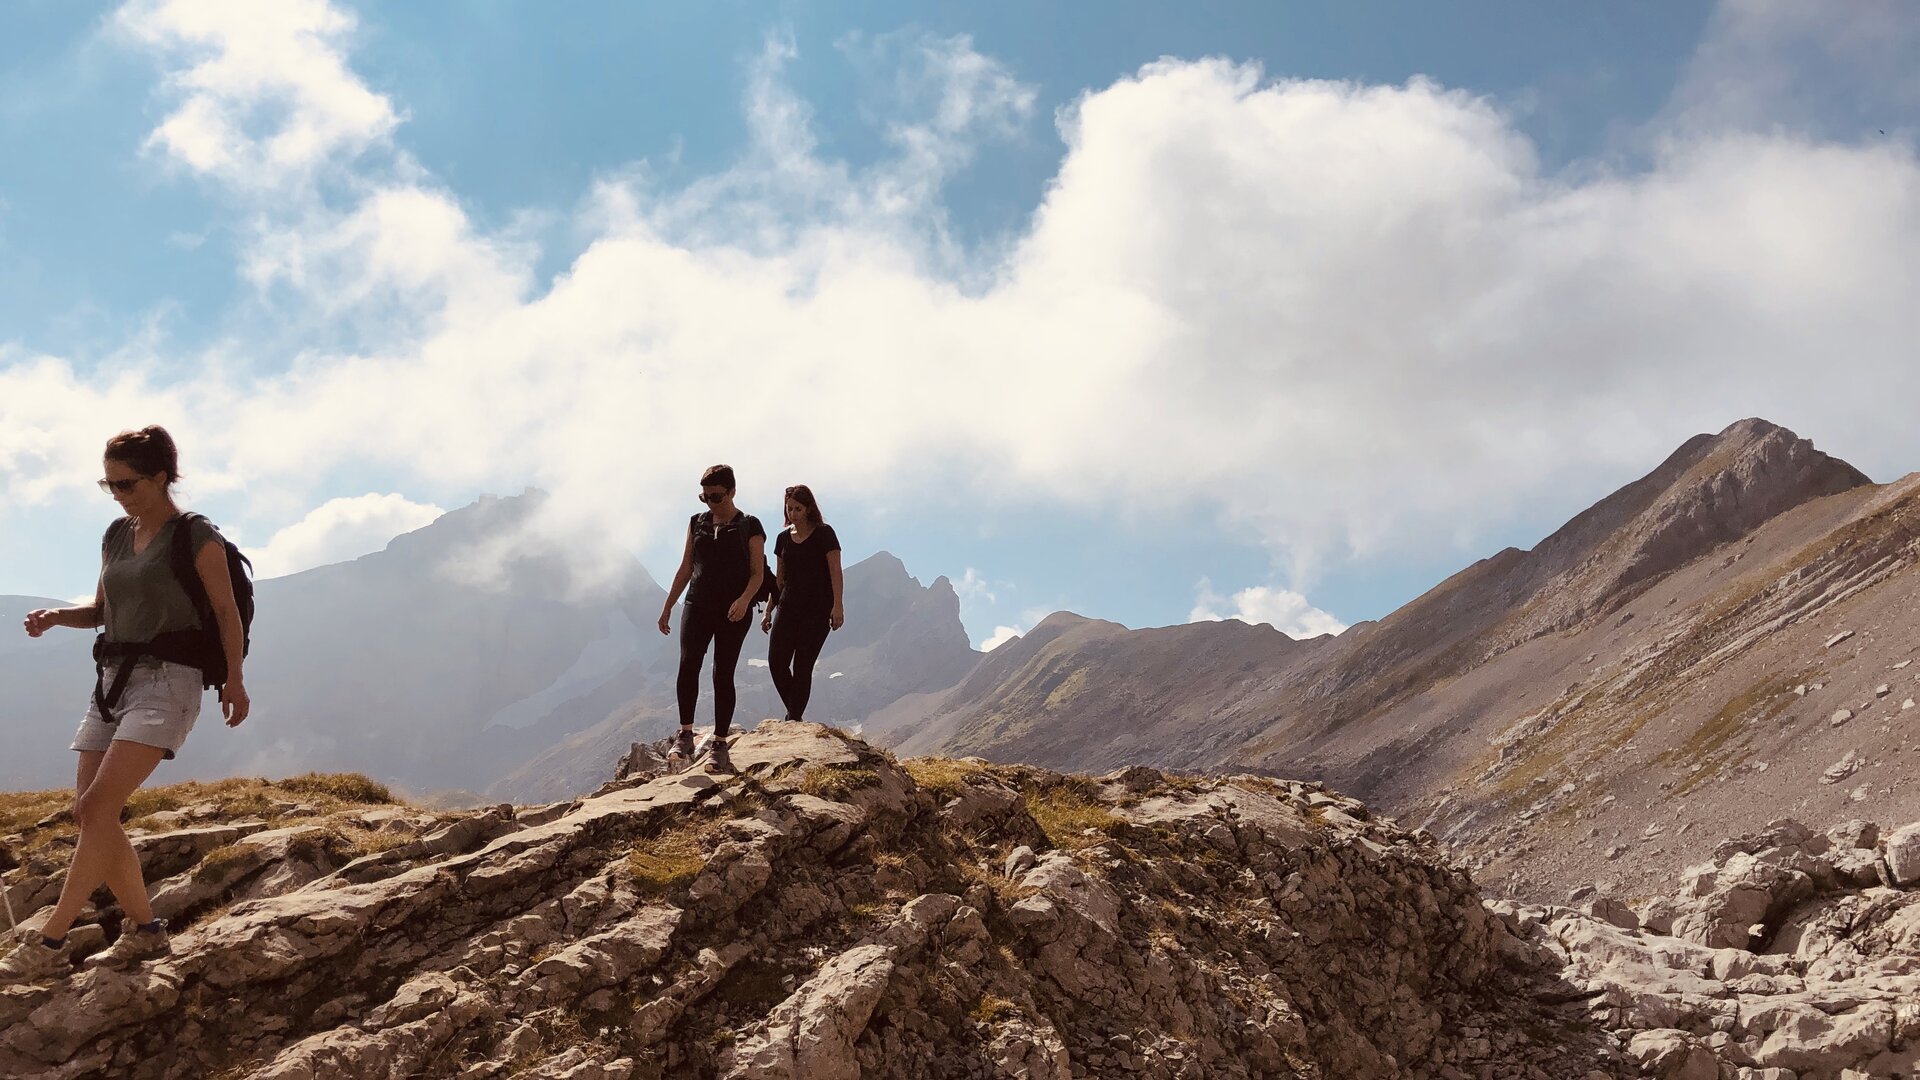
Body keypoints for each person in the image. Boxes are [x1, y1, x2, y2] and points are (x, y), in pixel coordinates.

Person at [1, 426, 250, 985]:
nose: (116, 492)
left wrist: (234, 679)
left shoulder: (195, 536)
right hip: (112, 680)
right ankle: (145, 932)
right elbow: (100, 610)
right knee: (90, 813)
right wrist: (55, 617)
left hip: (170, 683)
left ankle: (49, 939)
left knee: (95, 810)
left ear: (161, 477)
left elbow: (226, 612)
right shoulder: (117, 534)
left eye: (126, 482)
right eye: (107, 483)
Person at [657, 464, 764, 773]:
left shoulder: (750, 525)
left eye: (716, 496)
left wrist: (744, 601)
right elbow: (686, 566)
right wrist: (667, 607)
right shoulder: (697, 522)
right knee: (688, 664)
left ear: (732, 492)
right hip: (697, 603)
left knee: (722, 672)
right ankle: (685, 735)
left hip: (733, 610)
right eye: (704, 497)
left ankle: (719, 743)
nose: (710, 503)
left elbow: (757, 573)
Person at [761, 485, 843, 722]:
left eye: (798, 509)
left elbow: (835, 571)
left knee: (803, 665)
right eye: (789, 509)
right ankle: (794, 714)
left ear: (809, 509)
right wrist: (768, 610)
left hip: (817, 610)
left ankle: (793, 719)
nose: (793, 514)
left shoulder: (825, 534)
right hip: (788, 607)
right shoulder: (782, 539)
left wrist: (838, 605)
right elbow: (780, 579)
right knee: (776, 662)